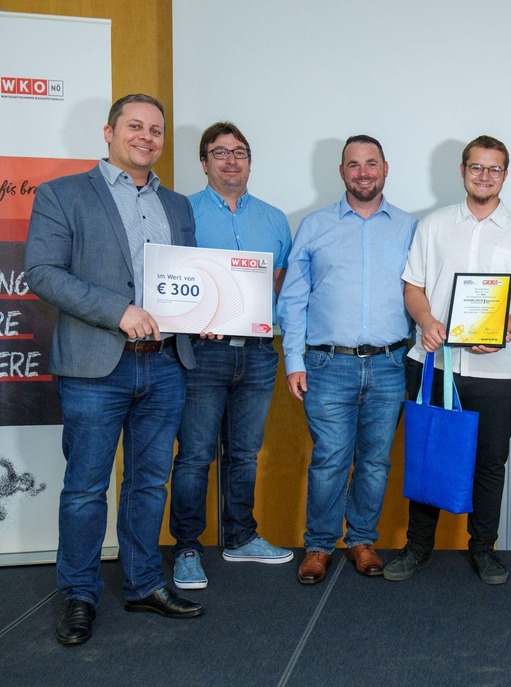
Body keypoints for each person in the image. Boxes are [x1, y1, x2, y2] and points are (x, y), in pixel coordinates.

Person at [25, 94, 204, 646]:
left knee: (149, 483)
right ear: (108, 133)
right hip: (94, 366)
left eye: (156, 129)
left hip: (168, 365)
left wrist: (207, 315)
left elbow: (188, 279)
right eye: (135, 126)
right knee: (85, 488)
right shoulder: (63, 194)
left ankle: (143, 583)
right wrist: (117, 312)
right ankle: (79, 594)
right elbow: (42, 272)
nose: (147, 137)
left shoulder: (177, 204)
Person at [384, 135, 511, 585]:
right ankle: (418, 547)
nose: (484, 176)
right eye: (476, 167)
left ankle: (484, 549)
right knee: (429, 454)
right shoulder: (434, 225)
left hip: (500, 370)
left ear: (505, 175)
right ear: (462, 171)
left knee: (490, 462)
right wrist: (425, 319)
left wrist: (506, 329)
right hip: (435, 363)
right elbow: (413, 287)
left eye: (494, 169)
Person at [278, 135, 417, 584]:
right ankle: (318, 545)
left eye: (371, 163)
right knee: (331, 458)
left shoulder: (410, 228)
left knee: (376, 461)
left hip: (390, 365)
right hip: (326, 366)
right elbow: (293, 299)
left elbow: (421, 295)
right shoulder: (314, 226)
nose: (363, 172)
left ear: (385, 168)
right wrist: (293, 360)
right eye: (353, 165)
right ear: (342, 172)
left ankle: (361, 539)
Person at [169, 122, 294, 590]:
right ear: (204, 163)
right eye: (219, 153)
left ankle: (242, 536)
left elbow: (278, 280)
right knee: (196, 455)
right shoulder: (183, 212)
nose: (231, 161)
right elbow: (172, 281)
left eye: (239, 152)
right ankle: (186, 547)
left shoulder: (274, 218)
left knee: (244, 453)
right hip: (203, 353)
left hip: (260, 354)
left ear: (249, 160)